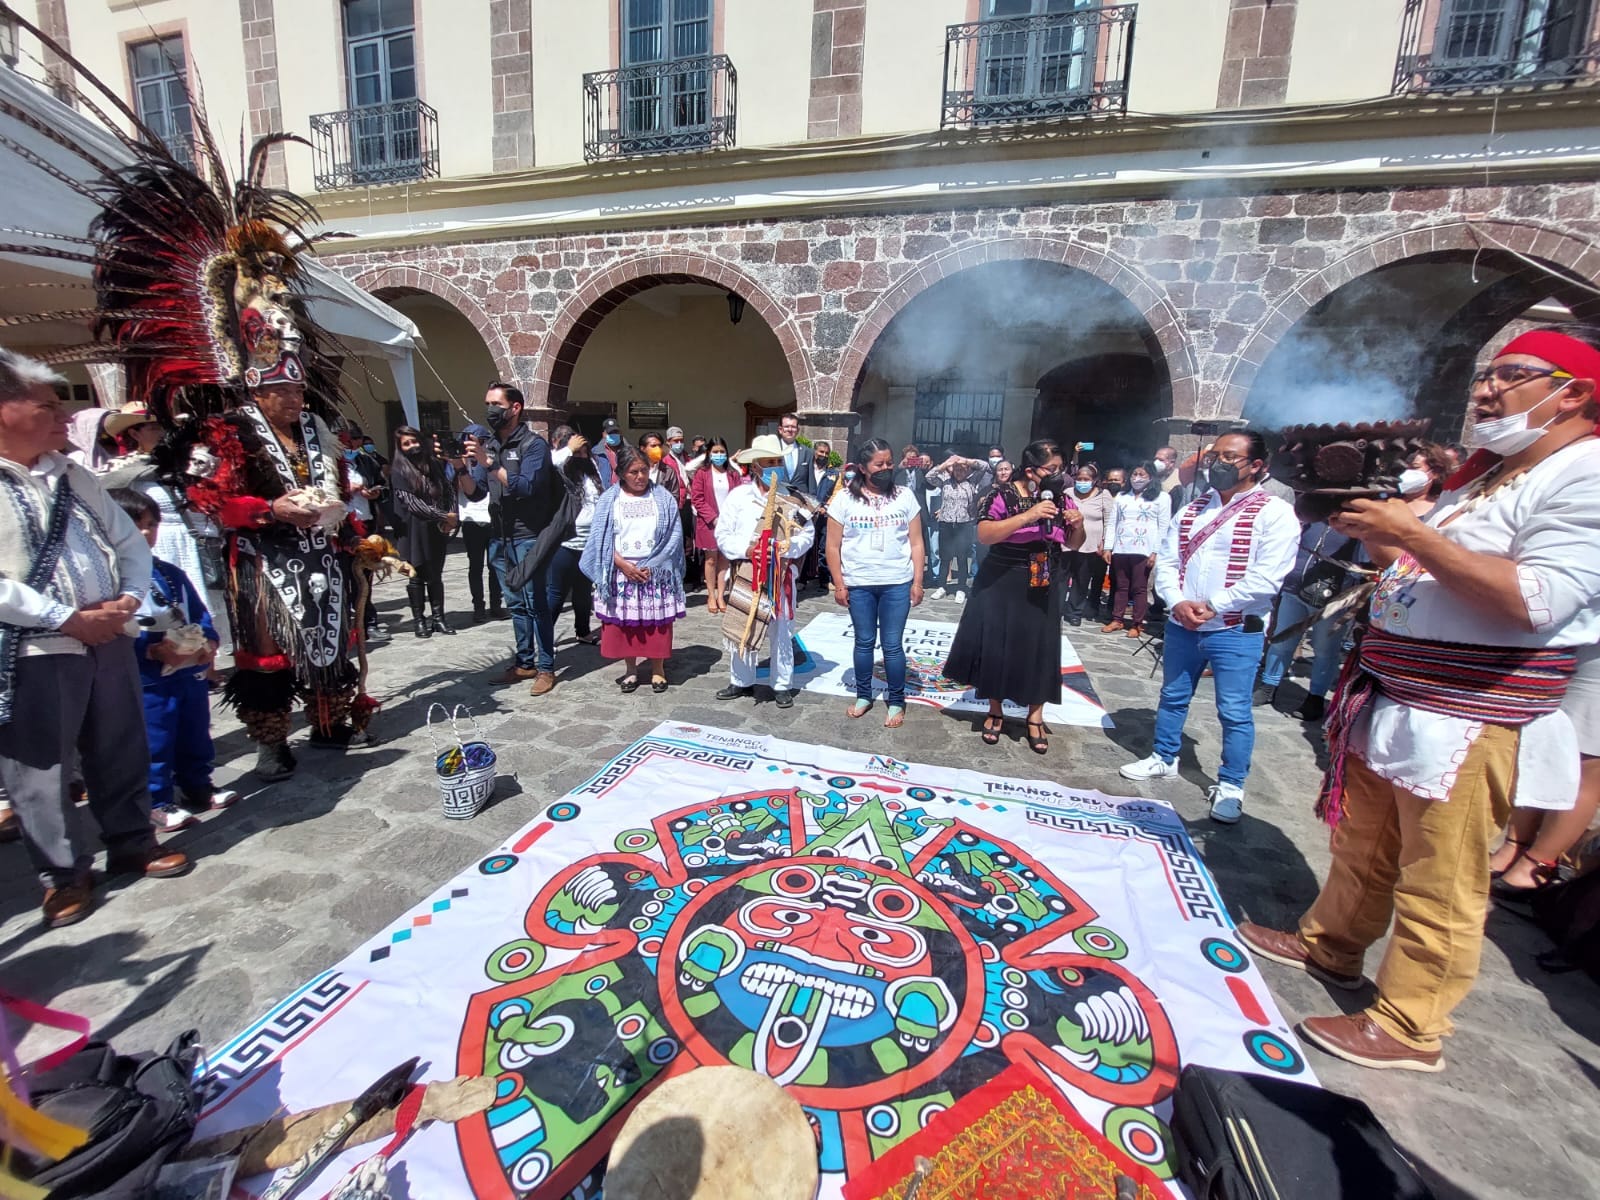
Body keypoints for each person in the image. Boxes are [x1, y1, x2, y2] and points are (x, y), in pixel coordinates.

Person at [1238, 326, 1600, 1074]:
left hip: (1472, 710)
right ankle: (1332, 945)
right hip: (1402, 693)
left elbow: (1539, 600)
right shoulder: (1483, 478)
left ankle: (1410, 1022)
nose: (1487, 389)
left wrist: (1412, 533)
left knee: (1442, 875)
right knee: (1364, 843)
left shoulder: (1584, 476)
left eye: (1511, 374)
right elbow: (1412, 572)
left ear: (1574, 392)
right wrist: (1376, 534)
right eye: (1485, 375)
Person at [0, 350, 190, 928]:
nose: (66, 419)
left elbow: (128, 542)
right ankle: (63, 874)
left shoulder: (74, 474)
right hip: (35, 648)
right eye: (50, 407)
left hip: (108, 632)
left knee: (119, 742)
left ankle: (132, 841)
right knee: (40, 769)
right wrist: (64, 617)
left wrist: (131, 597)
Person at [1119, 431, 1299, 822]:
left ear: (1256, 466)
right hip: (1184, 623)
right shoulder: (1194, 508)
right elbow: (1167, 561)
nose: (1218, 462)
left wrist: (1214, 605)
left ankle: (1232, 784)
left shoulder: (1274, 512)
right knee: (1172, 694)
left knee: (1233, 710)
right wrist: (1177, 600)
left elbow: (1270, 576)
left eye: (1229, 456)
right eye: (1215, 454)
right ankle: (1164, 756)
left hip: (1235, 627)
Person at [945, 439, 1085, 755]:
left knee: (1040, 645)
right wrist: (1028, 516)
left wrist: (1078, 525)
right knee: (998, 642)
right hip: (1003, 576)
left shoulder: (1062, 499)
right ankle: (995, 708)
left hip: (1046, 576)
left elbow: (1075, 543)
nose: (1057, 475)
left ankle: (1035, 715)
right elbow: (984, 534)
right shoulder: (1000, 494)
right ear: (1031, 467)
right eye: (1051, 469)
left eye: (1060, 470)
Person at [110, 488, 237, 833]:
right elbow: (115, 629)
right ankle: (157, 799)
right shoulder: (112, 578)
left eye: (151, 524)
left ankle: (198, 783)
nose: (145, 533)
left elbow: (197, 611)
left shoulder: (169, 573)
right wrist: (148, 650)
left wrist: (208, 641)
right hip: (150, 677)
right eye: (134, 526)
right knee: (157, 737)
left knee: (195, 729)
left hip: (188, 670)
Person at [826, 438, 926, 728]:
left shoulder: (905, 496)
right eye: (879, 464)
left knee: (892, 645)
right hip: (859, 582)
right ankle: (864, 695)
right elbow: (833, 546)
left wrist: (918, 581)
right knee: (864, 641)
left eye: (889, 462)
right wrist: (839, 583)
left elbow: (917, 543)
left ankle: (896, 700)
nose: (886, 468)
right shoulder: (844, 499)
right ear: (862, 468)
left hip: (896, 581)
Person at [715, 435, 815, 709]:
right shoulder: (738, 497)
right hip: (746, 572)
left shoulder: (794, 498)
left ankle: (782, 684)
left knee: (782, 630)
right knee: (742, 625)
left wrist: (789, 546)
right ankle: (741, 680)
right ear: (756, 466)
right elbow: (722, 535)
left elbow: (808, 534)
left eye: (778, 461)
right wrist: (746, 550)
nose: (775, 467)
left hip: (780, 575)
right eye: (769, 462)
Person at [581, 445, 685, 694]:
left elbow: (674, 534)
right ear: (621, 474)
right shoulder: (609, 500)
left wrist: (651, 564)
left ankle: (658, 669)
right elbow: (600, 539)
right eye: (633, 472)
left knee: (656, 623)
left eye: (644, 470)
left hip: (655, 572)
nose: (640, 476)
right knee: (626, 624)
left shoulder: (662, 498)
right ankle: (630, 669)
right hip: (621, 570)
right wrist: (622, 564)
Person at [479, 383, 562, 696]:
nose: (491, 410)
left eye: (496, 404)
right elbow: (475, 490)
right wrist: (462, 469)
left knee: (535, 603)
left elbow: (527, 487)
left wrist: (492, 466)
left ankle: (546, 666)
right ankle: (524, 661)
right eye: (488, 403)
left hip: (528, 537)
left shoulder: (533, 445)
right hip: (499, 537)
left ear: (515, 407)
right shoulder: (489, 445)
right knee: (515, 604)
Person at [390, 426, 458, 639]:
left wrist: (451, 515)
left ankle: (438, 618)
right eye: (406, 444)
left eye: (414, 441)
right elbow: (411, 503)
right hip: (411, 529)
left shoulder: (434, 464)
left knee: (435, 574)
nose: (413, 446)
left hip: (435, 528)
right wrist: (442, 516)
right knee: (416, 575)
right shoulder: (398, 470)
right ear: (400, 448)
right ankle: (420, 620)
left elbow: (448, 489)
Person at [544, 426, 603, 646]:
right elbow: (550, 465)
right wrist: (569, 449)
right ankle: (545, 635)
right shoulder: (559, 472)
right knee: (556, 594)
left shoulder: (591, 471)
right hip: (566, 542)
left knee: (583, 592)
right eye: (576, 453)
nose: (580, 456)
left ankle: (583, 630)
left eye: (583, 452)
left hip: (588, 543)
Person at [1103, 461, 1171, 636]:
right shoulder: (1122, 497)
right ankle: (1117, 619)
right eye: (1134, 474)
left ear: (1151, 477)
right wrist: (1108, 547)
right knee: (1120, 586)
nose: (1137, 478)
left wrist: (1155, 551)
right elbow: (1112, 523)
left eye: (1142, 475)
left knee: (1139, 588)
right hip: (1121, 547)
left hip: (1144, 549)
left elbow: (1163, 526)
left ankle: (1137, 623)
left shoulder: (1161, 497)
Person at [455, 423, 505, 623]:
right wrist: (461, 464)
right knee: (475, 566)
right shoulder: (458, 463)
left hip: (493, 518)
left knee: (495, 565)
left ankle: (496, 605)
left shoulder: (490, 461)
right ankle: (478, 606)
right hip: (471, 520)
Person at [925, 453, 991, 602]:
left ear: (967, 471)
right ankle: (942, 586)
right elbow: (929, 476)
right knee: (945, 557)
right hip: (946, 523)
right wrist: (946, 462)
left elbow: (986, 467)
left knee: (962, 558)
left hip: (964, 524)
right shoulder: (945, 481)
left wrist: (966, 460)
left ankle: (961, 588)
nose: (959, 473)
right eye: (956, 470)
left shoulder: (972, 481)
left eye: (962, 470)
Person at [690, 436, 743, 613]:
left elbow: (738, 497)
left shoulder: (733, 474)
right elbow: (698, 499)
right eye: (715, 452)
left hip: (728, 524)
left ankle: (721, 595)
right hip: (709, 523)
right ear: (709, 453)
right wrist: (713, 517)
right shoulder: (702, 473)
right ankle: (711, 595)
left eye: (722, 452)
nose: (719, 455)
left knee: (724, 560)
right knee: (711, 559)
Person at [1064, 463, 1113, 627]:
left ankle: (1074, 612)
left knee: (1081, 580)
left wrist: (1106, 543)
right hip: (1068, 543)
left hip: (1091, 545)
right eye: (1079, 479)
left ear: (1094, 480)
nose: (1082, 482)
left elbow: (1109, 521)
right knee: (1062, 578)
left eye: (1086, 479)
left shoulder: (1104, 495)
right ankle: (1057, 609)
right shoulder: (1068, 493)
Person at [799, 439, 840, 590]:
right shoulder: (805, 470)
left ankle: (824, 579)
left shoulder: (834, 473)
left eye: (826, 453)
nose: (823, 455)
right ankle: (801, 580)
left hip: (824, 515)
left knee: (824, 548)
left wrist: (826, 507)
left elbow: (837, 493)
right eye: (821, 452)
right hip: (806, 513)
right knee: (805, 546)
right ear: (814, 452)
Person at [638, 432, 682, 501]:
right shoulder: (634, 470)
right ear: (643, 449)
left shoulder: (668, 471)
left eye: (659, 446)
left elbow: (674, 496)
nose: (657, 449)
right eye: (653, 446)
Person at [776, 412, 812, 490]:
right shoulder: (772, 450)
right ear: (780, 430)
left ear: (798, 430)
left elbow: (811, 481)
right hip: (778, 497)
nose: (790, 430)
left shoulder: (807, 452)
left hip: (800, 499)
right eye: (786, 426)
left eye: (793, 427)